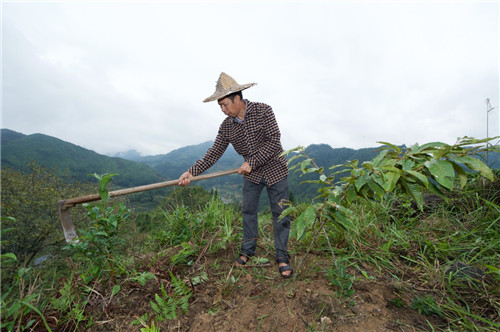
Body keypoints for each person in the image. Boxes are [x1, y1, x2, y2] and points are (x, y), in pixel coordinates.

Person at [178, 72, 293, 278]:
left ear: (237, 99)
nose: (222, 109)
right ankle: (248, 250)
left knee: (281, 214)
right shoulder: (227, 127)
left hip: (276, 170)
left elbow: (274, 141)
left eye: (225, 105)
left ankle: (282, 256)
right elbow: (213, 153)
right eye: (220, 106)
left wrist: (252, 161)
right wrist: (191, 172)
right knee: (248, 211)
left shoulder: (263, 111)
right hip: (252, 176)